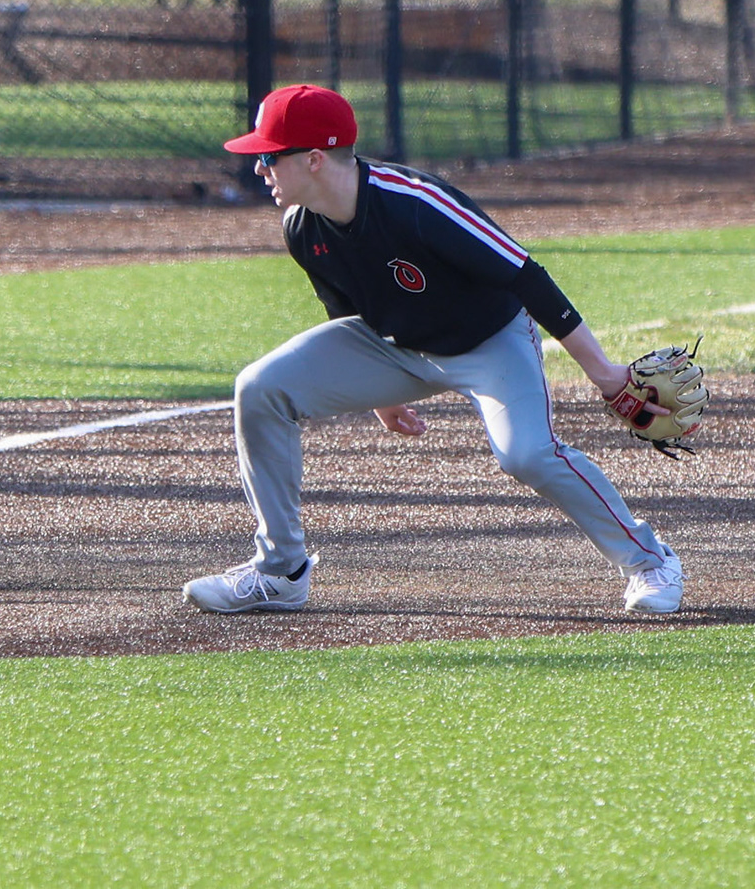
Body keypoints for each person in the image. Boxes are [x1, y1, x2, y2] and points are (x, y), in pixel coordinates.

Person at [182, 84, 685, 616]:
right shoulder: (301, 226)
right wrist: (380, 396)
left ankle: (650, 561)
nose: (258, 169)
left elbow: (526, 276)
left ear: (312, 160)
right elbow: (346, 306)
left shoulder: (417, 203)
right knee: (260, 388)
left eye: (267, 156)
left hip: (489, 342)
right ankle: (280, 571)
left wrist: (604, 372)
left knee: (527, 455)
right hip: (394, 347)